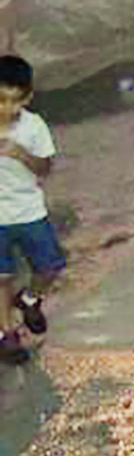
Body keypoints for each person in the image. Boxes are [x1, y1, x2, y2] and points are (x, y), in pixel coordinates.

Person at [0, 55, 61, 364]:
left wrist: (22, 155)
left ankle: (29, 299)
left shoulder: (34, 126)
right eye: (0, 100)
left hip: (29, 211)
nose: (6, 108)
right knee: (1, 276)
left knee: (50, 267)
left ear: (27, 98)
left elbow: (46, 168)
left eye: (14, 101)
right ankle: (7, 334)